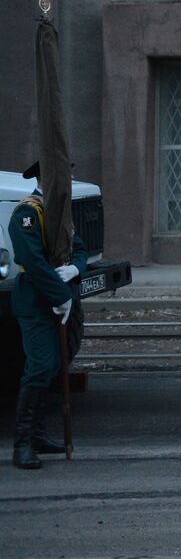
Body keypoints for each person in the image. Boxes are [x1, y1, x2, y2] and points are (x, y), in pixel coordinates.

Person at [8, 160, 85, 470]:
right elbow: (32, 260)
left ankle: (38, 435)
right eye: (66, 173)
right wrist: (60, 293)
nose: (71, 178)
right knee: (39, 366)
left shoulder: (61, 212)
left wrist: (75, 268)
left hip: (56, 295)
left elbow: (78, 246)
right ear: (50, 177)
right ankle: (22, 444)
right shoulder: (27, 212)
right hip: (35, 299)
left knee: (53, 365)